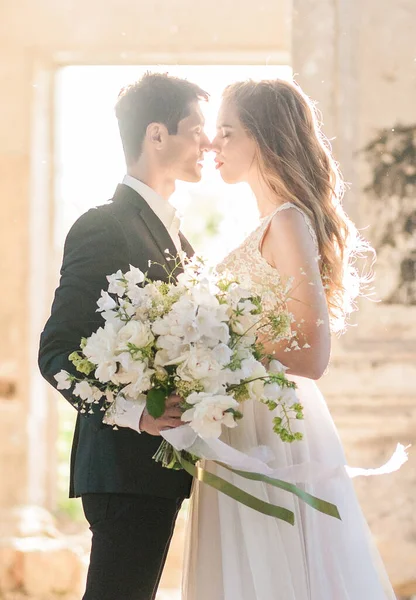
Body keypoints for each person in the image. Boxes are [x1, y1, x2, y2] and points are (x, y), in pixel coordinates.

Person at [182, 78, 396, 599]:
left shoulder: (289, 222)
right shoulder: (270, 223)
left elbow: (312, 352)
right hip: (242, 420)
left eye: (227, 132)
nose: (214, 146)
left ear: (263, 138)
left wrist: (216, 354)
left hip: (270, 427)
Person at [38, 72, 211, 600]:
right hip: (121, 470)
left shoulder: (179, 237)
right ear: (156, 135)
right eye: (196, 128)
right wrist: (136, 413)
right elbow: (56, 350)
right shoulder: (103, 225)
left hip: (158, 472)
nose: (208, 142)